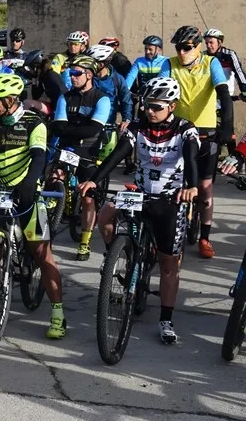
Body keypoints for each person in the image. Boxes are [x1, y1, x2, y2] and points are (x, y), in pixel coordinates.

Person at [78, 77, 198, 345]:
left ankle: (166, 319)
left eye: (156, 106)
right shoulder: (136, 127)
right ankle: (116, 256)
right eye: (146, 105)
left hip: (169, 199)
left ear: (172, 106)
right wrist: (94, 180)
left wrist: (191, 186)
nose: (149, 111)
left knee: (169, 264)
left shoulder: (185, 129)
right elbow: (117, 155)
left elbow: (191, 158)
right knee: (106, 214)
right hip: (140, 193)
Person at [0, 74, 67, 339]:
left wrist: (30, 183)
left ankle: (58, 313)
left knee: (43, 255)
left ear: (11, 99)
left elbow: (38, 156)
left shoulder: (35, 123)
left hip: (27, 194)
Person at [159, 25, 233, 258]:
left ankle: (204, 237)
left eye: (187, 48)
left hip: (205, 132)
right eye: (178, 48)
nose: (181, 52)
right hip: (178, 131)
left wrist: (227, 127)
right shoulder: (168, 64)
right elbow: (158, 93)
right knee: (172, 183)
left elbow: (223, 93)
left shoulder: (211, 63)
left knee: (204, 186)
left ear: (198, 47)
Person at [53, 55, 112, 261]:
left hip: (88, 150)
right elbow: (58, 126)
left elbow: (93, 129)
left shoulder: (101, 99)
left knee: (88, 198)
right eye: (71, 73)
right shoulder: (65, 97)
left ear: (89, 75)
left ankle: (85, 243)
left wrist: (68, 129)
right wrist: (72, 130)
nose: (72, 76)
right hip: (67, 147)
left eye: (76, 73)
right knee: (53, 177)